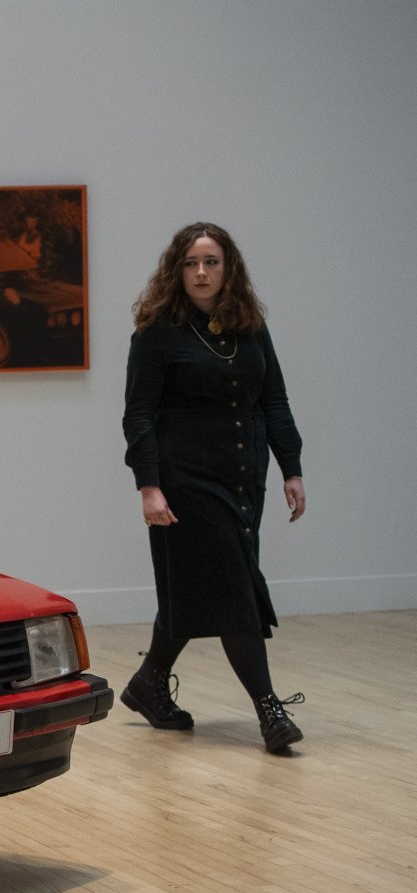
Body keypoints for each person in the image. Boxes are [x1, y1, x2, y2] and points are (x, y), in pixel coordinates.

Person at [121, 222, 307, 753]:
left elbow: (275, 400)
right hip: (184, 482)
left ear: (229, 269)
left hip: (245, 478)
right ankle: (269, 710)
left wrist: (291, 468)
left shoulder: (250, 325)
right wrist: (149, 487)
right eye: (191, 263)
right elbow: (139, 416)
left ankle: (149, 683)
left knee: (199, 587)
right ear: (176, 270)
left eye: (212, 262)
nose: (202, 273)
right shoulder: (157, 331)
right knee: (235, 586)